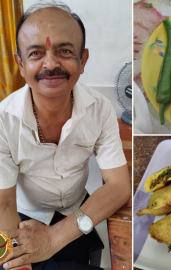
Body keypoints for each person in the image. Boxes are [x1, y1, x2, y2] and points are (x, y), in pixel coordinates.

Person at [0, 1, 131, 270]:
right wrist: (17, 257)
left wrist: (53, 237)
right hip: (21, 218)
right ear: (20, 64)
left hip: (78, 212)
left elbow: (119, 186)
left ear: (82, 61)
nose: (51, 63)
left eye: (64, 51)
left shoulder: (100, 109)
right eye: (36, 53)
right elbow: (4, 203)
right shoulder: (3, 119)